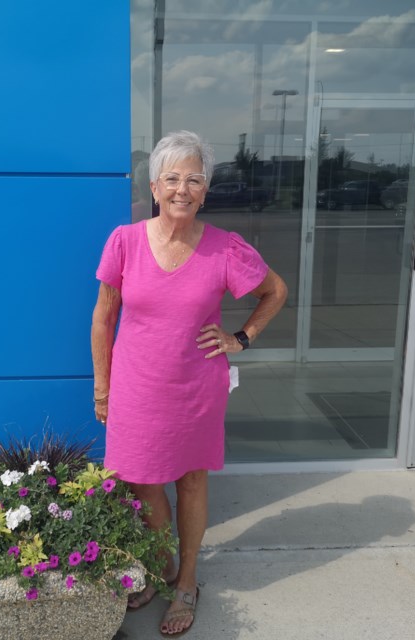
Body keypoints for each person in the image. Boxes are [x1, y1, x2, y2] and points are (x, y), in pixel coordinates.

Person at [90, 130, 288, 637]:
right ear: (154, 187)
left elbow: (275, 291)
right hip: (136, 386)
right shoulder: (125, 241)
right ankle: (164, 566)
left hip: (197, 387)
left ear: (205, 190)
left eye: (194, 179)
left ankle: (188, 581)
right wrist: (102, 387)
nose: (183, 188)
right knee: (143, 480)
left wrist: (241, 337)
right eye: (172, 178)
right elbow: (103, 318)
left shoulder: (225, 249)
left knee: (192, 481)